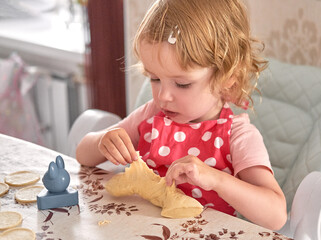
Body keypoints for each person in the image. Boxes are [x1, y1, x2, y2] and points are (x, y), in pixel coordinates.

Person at [76, 0, 287, 230]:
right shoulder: (151, 115)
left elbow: (276, 215)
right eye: (154, 78)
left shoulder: (237, 136)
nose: (163, 96)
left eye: (182, 84)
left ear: (228, 77)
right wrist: (103, 142)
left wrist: (216, 179)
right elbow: (83, 155)